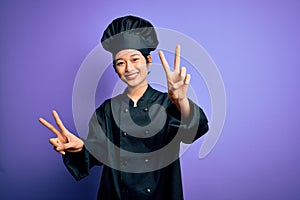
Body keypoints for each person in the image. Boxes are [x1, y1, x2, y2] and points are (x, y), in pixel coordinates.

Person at [39, 15, 209, 200]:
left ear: (148, 61)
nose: (128, 68)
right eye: (120, 63)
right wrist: (81, 147)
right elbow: (98, 152)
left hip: (161, 193)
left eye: (135, 59)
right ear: (115, 69)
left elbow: (194, 131)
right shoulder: (107, 110)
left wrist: (181, 100)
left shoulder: (167, 103)